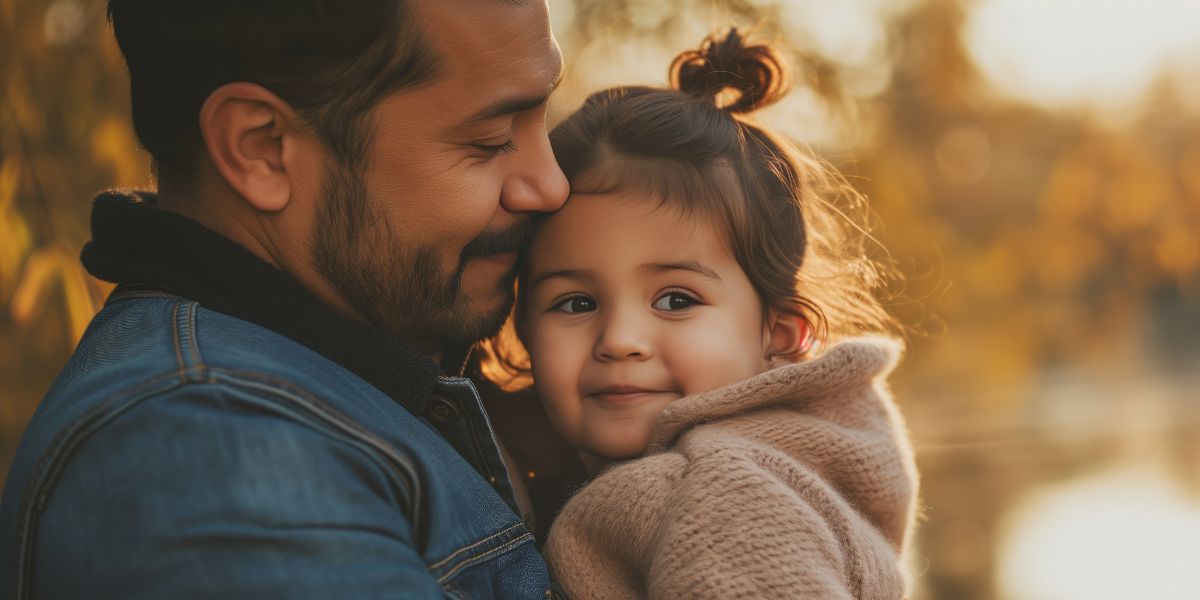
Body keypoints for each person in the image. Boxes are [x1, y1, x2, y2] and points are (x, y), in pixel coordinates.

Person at [0, 0, 570, 597]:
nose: (552, 185)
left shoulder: (340, 383)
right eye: (492, 139)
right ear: (262, 147)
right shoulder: (213, 454)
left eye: (542, 116)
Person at [485, 29, 919, 599]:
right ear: (523, 332)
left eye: (675, 300)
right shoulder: (759, 469)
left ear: (782, 334)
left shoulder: (721, 497)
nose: (619, 340)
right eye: (576, 303)